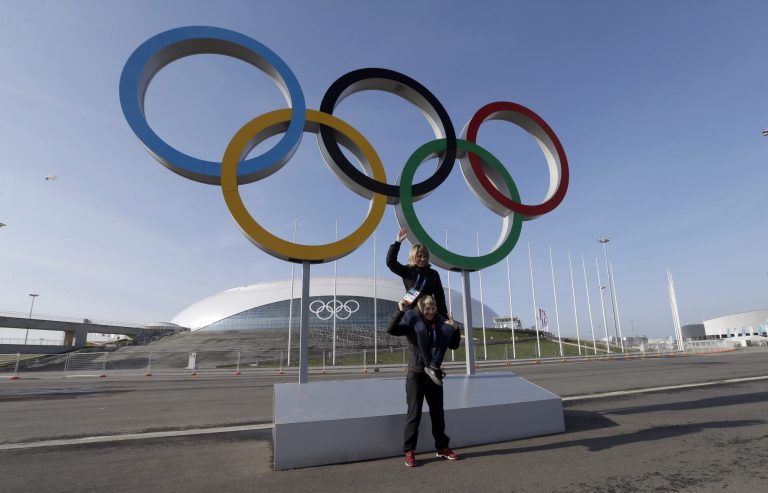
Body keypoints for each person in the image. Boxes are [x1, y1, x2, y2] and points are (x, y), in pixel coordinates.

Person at [387, 295, 461, 467]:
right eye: (427, 308)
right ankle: (409, 451)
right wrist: (399, 311)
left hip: (434, 374)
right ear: (421, 308)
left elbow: (454, 345)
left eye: (433, 308)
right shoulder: (413, 324)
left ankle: (442, 448)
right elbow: (391, 329)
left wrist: (455, 329)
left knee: (438, 413)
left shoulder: (440, 324)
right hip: (417, 374)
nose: (430, 311)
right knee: (414, 414)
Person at [387, 228, 449, 384]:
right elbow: (390, 262)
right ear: (413, 257)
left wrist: (445, 318)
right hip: (412, 310)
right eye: (419, 256)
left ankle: (435, 363)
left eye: (424, 256)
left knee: (449, 328)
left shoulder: (433, 274)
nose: (422, 258)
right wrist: (397, 242)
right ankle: (429, 364)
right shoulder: (407, 271)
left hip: (429, 310)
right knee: (420, 328)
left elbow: (440, 297)